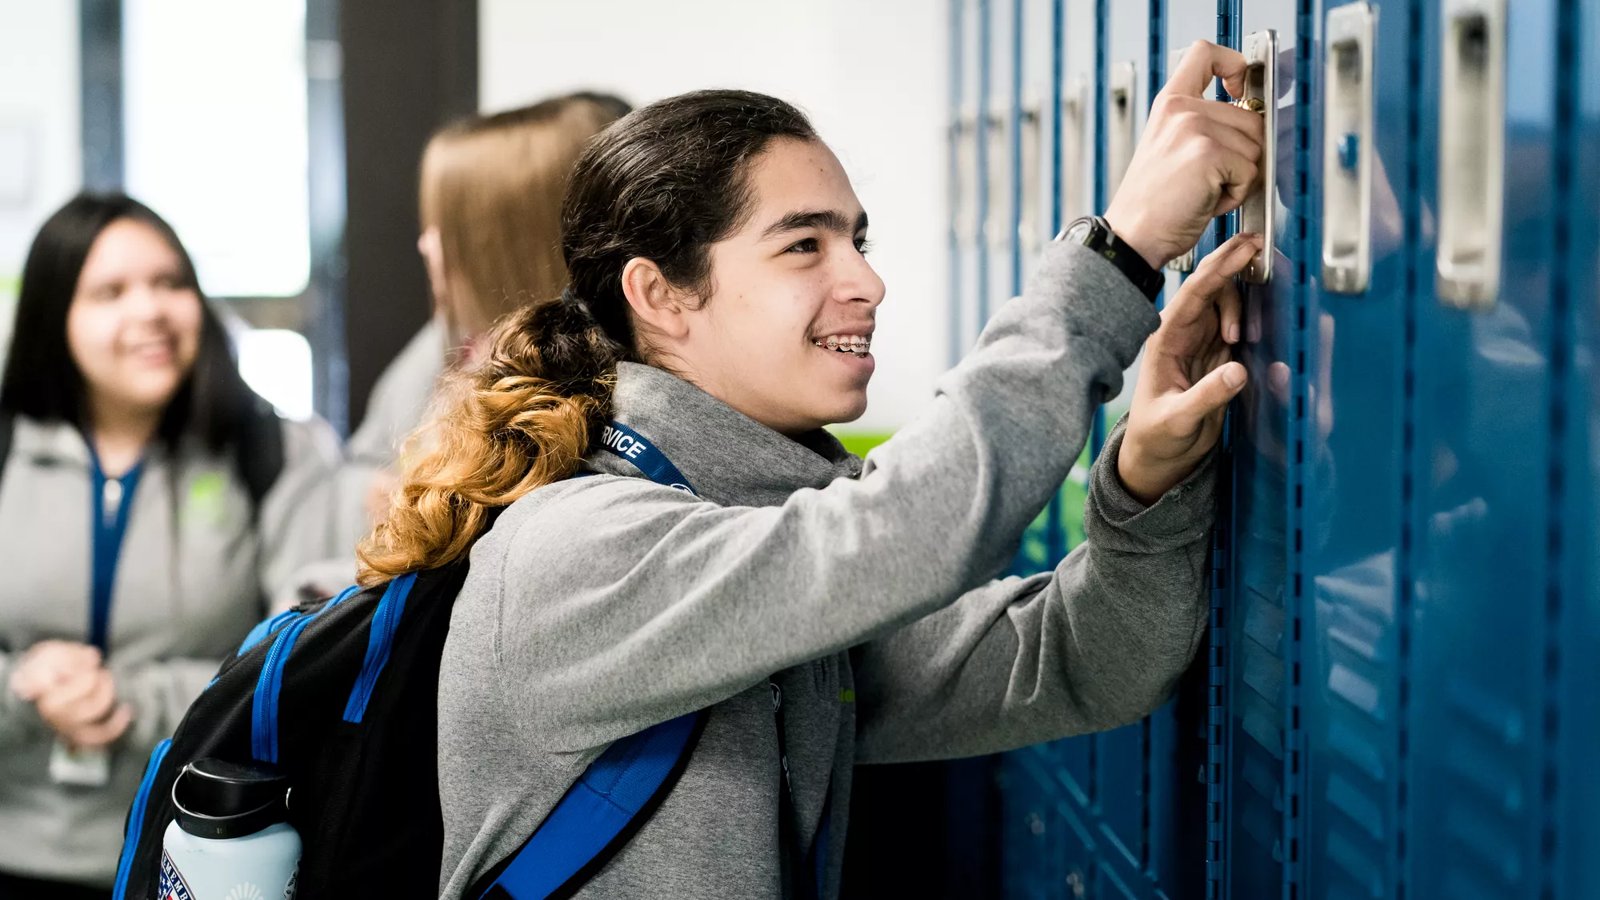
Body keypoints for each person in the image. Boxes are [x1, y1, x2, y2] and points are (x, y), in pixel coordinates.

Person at [362, 42, 1262, 899]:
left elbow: (1074, 661)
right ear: (660, 297)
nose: (867, 282)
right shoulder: (583, 550)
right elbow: (912, 531)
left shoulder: (737, 534)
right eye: (805, 245)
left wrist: (1147, 486)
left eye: (858, 240)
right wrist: (1119, 253)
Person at [0, 194, 340, 896]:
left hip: (199, 862)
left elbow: (308, 668)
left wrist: (125, 698)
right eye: (110, 292)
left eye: (171, 283)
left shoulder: (274, 451)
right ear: (52, 313)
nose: (150, 310)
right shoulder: (7, 448)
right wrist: (22, 689)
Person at [327, 92, 632, 553]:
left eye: (449, 229)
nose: (427, 246)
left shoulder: (606, 403)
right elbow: (364, 466)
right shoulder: (446, 348)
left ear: (513, 244)